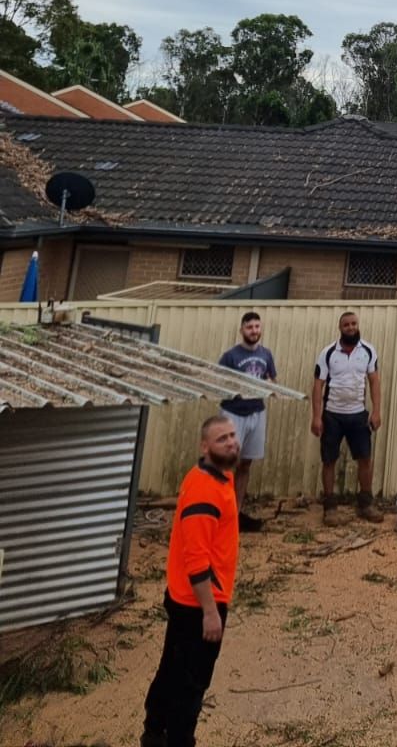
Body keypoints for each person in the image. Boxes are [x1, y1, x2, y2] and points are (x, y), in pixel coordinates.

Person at [142, 414, 240, 747]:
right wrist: (211, 612)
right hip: (197, 604)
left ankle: (154, 731)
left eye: (232, 435)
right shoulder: (204, 490)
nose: (231, 442)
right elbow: (196, 559)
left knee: (172, 667)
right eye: (221, 439)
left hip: (189, 597)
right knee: (192, 682)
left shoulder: (218, 478)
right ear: (204, 446)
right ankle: (178, 739)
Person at [311, 309, 384, 522]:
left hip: (358, 415)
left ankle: (365, 504)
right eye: (346, 325)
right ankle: (330, 508)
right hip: (332, 415)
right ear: (340, 328)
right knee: (329, 460)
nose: (351, 327)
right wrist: (317, 417)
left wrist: (376, 411)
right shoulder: (328, 353)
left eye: (354, 324)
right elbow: (318, 386)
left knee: (364, 459)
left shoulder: (368, 351)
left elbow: (374, 382)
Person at [216, 310, 277, 531]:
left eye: (257, 327)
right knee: (226, 462)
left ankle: (236, 512)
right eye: (249, 327)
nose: (254, 331)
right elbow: (219, 382)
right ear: (242, 330)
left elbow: (272, 379)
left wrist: (272, 388)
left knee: (246, 463)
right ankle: (219, 510)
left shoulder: (267, 354)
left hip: (257, 411)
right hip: (233, 412)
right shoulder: (230, 356)